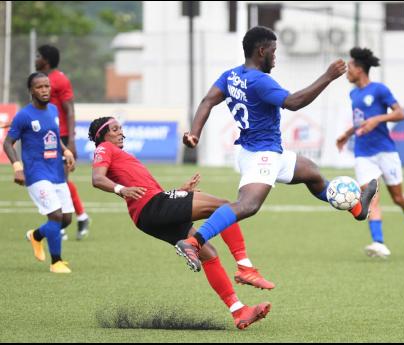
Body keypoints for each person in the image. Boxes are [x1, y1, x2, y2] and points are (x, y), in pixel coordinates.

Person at [177, 26, 378, 272]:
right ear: (261, 51)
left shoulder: (231, 76)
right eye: (273, 51)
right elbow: (293, 103)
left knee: (312, 174)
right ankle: (193, 242)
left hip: (262, 151)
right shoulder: (261, 82)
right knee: (247, 205)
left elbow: (208, 101)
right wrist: (327, 76)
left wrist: (194, 133)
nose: (275, 56)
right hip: (263, 156)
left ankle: (358, 208)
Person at [88, 116, 273, 329]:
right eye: (115, 129)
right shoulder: (104, 148)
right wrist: (122, 189)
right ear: (102, 135)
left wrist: (179, 192)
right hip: (151, 208)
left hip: (149, 214)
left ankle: (239, 311)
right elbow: (97, 178)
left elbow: (152, 193)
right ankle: (244, 267)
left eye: (121, 128)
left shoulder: (121, 155)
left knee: (209, 254)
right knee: (224, 207)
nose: (121, 132)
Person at [336, 47, 404, 258]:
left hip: (386, 152)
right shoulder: (353, 93)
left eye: (350, 68)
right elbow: (359, 121)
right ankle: (378, 242)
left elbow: (400, 113)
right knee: (371, 197)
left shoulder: (380, 90)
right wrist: (348, 133)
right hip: (363, 153)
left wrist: (377, 119)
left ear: (360, 69)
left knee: (399, 198)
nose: (347, 72)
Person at [3, 72, 75, 273]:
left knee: (67, 218)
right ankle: (56, 262)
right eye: (39, 87)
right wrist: (18, 168)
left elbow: (53, 137)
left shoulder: (53, 110)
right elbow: (8, 143)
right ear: (31, 91)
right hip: (36, 173)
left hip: (56, 172)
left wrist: (66, 150)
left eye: (47, 86)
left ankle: (36, 236)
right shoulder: (24, 115)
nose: (44, 90)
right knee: (55, 216)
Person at [35, 44, 90, 240]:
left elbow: (70, 110)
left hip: (62, 137)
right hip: (45, 137)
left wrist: (72, 141)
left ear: (46, 60)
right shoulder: (39, 80)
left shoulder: (60, 79)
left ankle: (62, 224)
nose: (36, 58)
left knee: (59, 181)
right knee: (53, 181)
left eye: (38, 55)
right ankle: (80, 217)